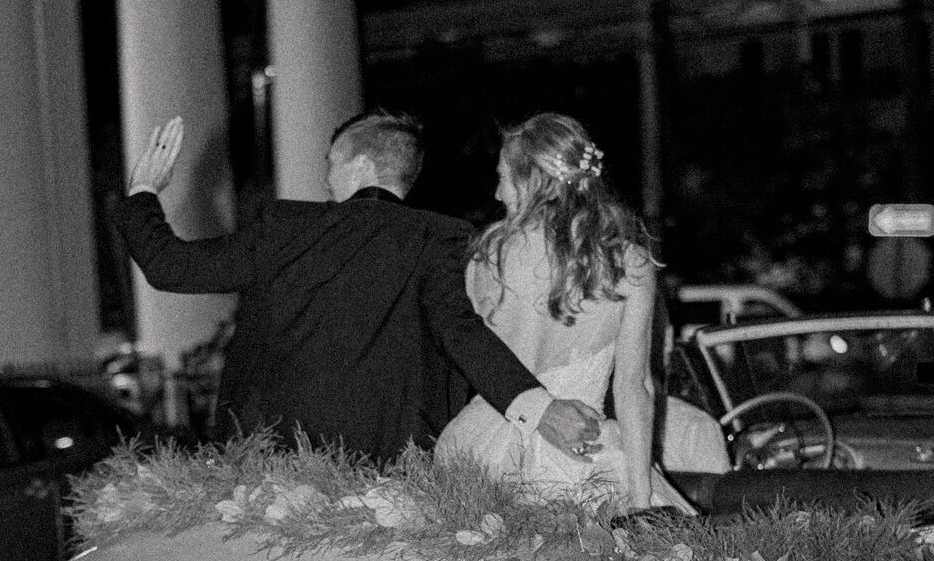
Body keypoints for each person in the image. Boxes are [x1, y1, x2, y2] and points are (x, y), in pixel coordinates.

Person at [110, 111, 604, 467]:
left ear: (361, 166)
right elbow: (461, 334)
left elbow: (170, 267)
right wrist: (540, 409)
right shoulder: (439, 237)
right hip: (388, 471)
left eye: (331, 163)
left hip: (266, 463)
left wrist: (143, 192)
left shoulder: (284, 228)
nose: (326, 178)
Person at [436, 112, 683, 510]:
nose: (498, 195)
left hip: (478, 451)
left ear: (534, 181)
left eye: (502, 178)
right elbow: (634, 388)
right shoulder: (629, 265)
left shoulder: (487, 259)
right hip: (582, 457)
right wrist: (640, 499)